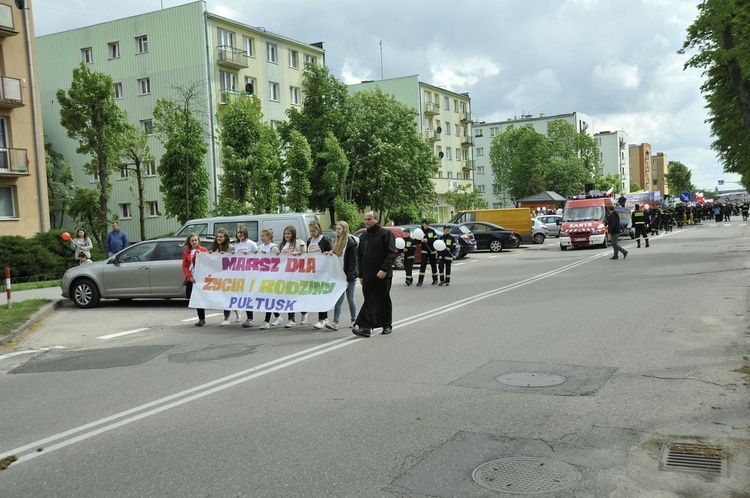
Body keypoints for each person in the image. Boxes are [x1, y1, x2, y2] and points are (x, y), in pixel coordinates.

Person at [353, 210, 396, 338]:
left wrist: (384, 269)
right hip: (368, 275)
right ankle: (366, 328)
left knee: (383, 300)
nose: (366, 221)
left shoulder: (385, 234)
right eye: (365, 219)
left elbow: (391, 253)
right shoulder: (364, 237)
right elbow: (360, 256)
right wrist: (360, 274)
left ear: (376, 219)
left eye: (369, 219)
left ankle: (387, 325)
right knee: (369, 300)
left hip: (382, 274)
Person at [326, 220, 358, 331]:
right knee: (338, 299)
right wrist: (330, 253)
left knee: (350, 298)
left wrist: (349, 276)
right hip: (339, 276)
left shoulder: (350, 242)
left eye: (339, 229)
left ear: (345, 229)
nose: (337, 231)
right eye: (337, 229)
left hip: (349, 276)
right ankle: (335, 323)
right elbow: (335, 255)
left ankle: (354, 320)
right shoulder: (336, 241)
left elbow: (353, 261)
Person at [306, 220, 333, 329]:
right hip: (313, 272)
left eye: (314, 230)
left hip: (323, 272)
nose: (312, 233)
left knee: (321, 295)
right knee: (316, 296)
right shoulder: (309, 241)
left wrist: (328, 253)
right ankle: (325, 318)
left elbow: (332, 252)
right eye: (310, 231)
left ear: (318, 229)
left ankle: (321, 319)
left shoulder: (324, 239)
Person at [279, 226, 307, 328]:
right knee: (289, 297)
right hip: (286, 275)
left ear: (293, 234)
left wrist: (299, 253)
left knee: (297, 296)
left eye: (289, 233)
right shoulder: (283, 245)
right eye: (285, 233)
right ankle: (291, 319)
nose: (287, 235)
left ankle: (304, 312)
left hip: (297, 274)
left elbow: (305, 254)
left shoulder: (299, 242)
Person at [257, 228, 283, 330]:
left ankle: (266, 321)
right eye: (261, 236)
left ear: (269, 237)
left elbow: (277, 260)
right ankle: (277, 316)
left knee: (269, 298)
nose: (262, 238)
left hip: (271, 276)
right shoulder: (260, 247)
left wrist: (268, 255)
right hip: (262, 276)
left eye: (264, 236)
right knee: (268, 299)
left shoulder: (273, 248)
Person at [234, 225, 258, 328]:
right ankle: (242, 313)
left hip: (250, 274)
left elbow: (258, 257)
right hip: (240, 274)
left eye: (242, 232)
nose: (240, 234)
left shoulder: (251, 244)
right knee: (242, 296)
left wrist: (249, 254)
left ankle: (250, 318)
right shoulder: (236, 245)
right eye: (238, 232)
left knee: (249, 296)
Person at [181, 233, 208, 326]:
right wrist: (189, 277)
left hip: (201, 278)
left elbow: (207, 262)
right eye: (192, 240)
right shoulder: (186, 252)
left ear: (198, 240)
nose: (194, 242)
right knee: (193, 297)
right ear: (189, 242)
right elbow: (184, 266)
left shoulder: (203, 250)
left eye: (196, 240)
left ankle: (202, 318)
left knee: (201, 297)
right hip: (192, 278)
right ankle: (201, 318)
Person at [210, 227, 235, 326]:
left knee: (226, 296)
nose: (219, 238)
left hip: (229, 276)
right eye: (217, 237)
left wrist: (227, 254)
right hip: (219, 276)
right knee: (224, 296)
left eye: (221, 237)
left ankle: (226, 318)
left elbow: (233, 260)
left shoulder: (231, 247)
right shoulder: (215, 247)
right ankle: (237, 311)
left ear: (225, 238)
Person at [416, 218, 438, 287]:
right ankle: (420, 281)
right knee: (423, 265)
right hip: (424, 251)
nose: (427, 225)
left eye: (428, 224)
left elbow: (435, 240)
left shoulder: (432, 231)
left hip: (432, 250)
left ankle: (435, 279)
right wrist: (421, 241)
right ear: (422, 224)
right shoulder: (420, 232)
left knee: (433, 265)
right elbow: (416, 241)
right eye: (426, 224)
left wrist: (427, 240)